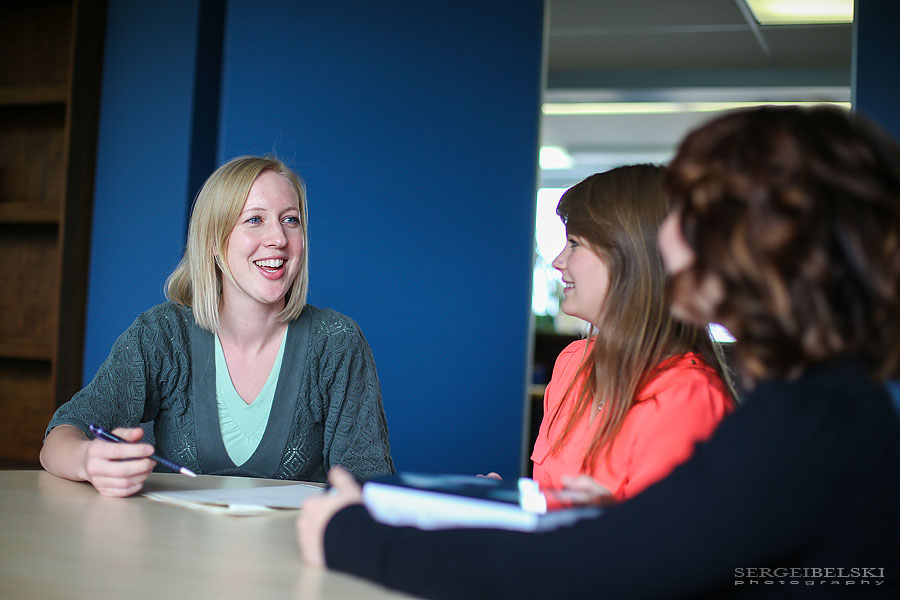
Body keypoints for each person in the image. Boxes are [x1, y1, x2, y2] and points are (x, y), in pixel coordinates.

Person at [297, 105, 900, 598]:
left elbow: (576, 573)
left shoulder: (806, 423)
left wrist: (351, 536)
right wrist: (628, 526)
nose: (669, 231)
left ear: (765, 240)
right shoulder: (831, 409)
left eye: (691, 208)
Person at [40, 155, 394, 497]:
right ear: (213, 241)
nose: (279, 239)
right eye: (255, 220)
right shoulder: (163, 334)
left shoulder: (337, 343)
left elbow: (368, 490)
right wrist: (89, 461)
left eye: (291, 220)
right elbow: (60, 438)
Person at [531, 165, 733, 503]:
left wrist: (611, 522)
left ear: (630, 257)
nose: (557, 261)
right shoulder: (573, 364)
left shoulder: (688, 396)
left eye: (574, 244)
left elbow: (672, 546)